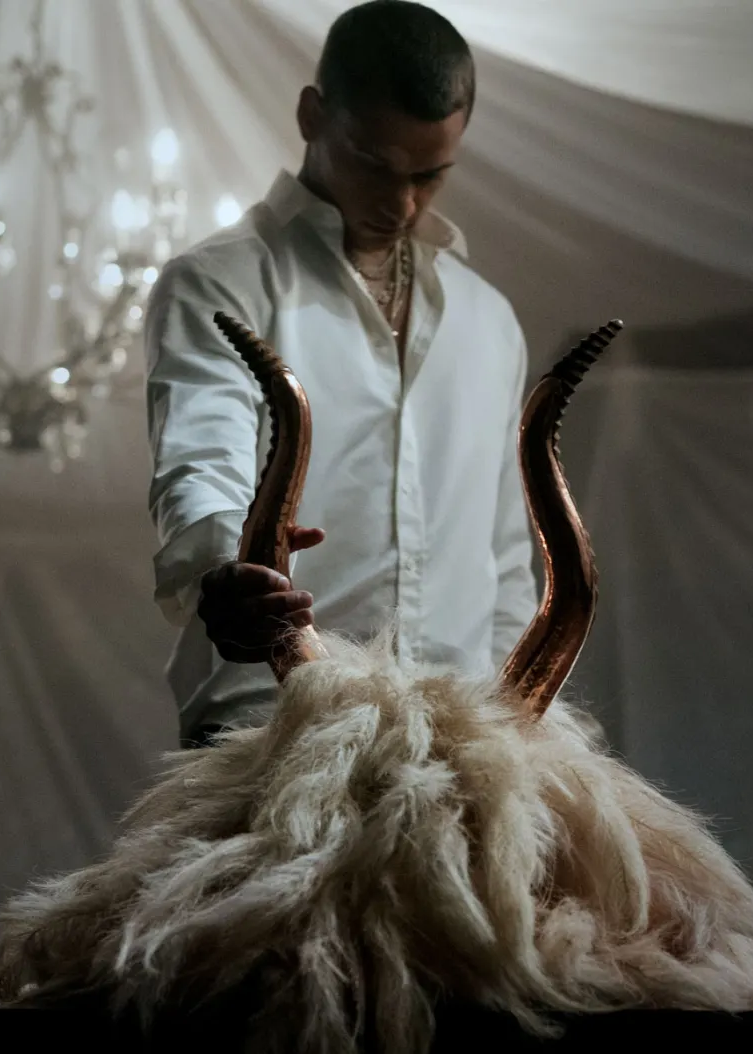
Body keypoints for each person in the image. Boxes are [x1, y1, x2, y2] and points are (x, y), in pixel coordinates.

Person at [144, 0, 537, 748]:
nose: (402, 203)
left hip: (460, 749)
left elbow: (506, 556)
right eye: (374, 164)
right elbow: (200, 460)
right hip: (270, 729)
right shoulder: (218, 282)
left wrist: (514, 725)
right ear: (311, 115)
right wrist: (223, 576)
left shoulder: (488, 320)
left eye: (430, 174)